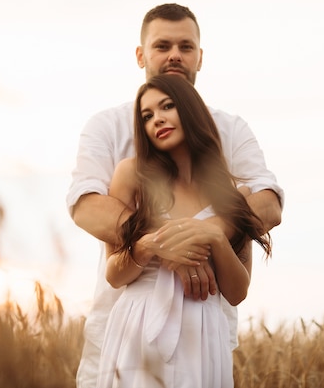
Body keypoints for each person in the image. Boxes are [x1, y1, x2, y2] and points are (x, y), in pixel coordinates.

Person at [66, 3, 284, 388]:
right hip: (126, 322)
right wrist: (167, 244)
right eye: (161, 45)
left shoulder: (231, 129)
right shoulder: (108, 127)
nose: (174, 56)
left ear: (200, 56)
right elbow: (87, 208)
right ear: (140, 55)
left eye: (185, 46)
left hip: (205, 326)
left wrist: (208, 234)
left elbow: (267, 202)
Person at [97, 74, 272, 387]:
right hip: (139, 322)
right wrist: (152, 245)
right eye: (146, 116)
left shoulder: (235, 196)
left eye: (167, 106)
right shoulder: (131, 174)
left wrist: (215, 237)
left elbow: (236, 293)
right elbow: (113, 274)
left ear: (191, 111)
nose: (157, 120)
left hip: (204, 329)